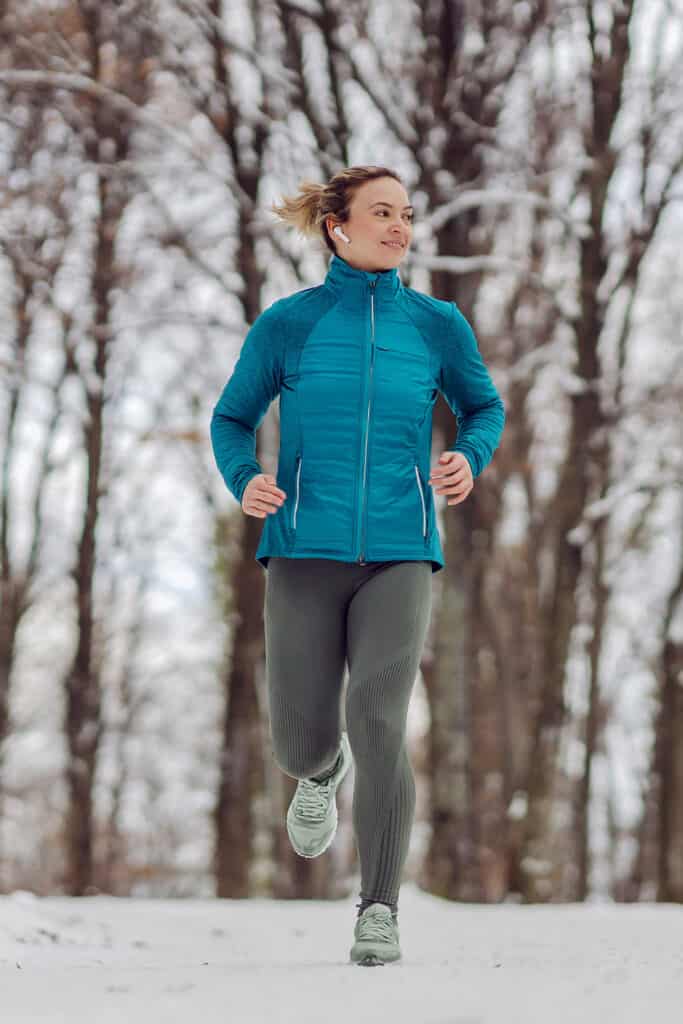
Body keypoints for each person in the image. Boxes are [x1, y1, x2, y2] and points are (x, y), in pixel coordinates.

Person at [210, 165, 505, 966]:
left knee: (379, 719)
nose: (399, 226)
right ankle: (318, 769)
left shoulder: (437, 324)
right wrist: (246, 481)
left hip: (401, 549)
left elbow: (483, 405)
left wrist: (468, 456)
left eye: (406, 214)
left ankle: (378, 908)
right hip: (302, 548)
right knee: (301, 740)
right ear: (336, 226)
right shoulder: (289, 324)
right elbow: (232, 417)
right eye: (381, 213)